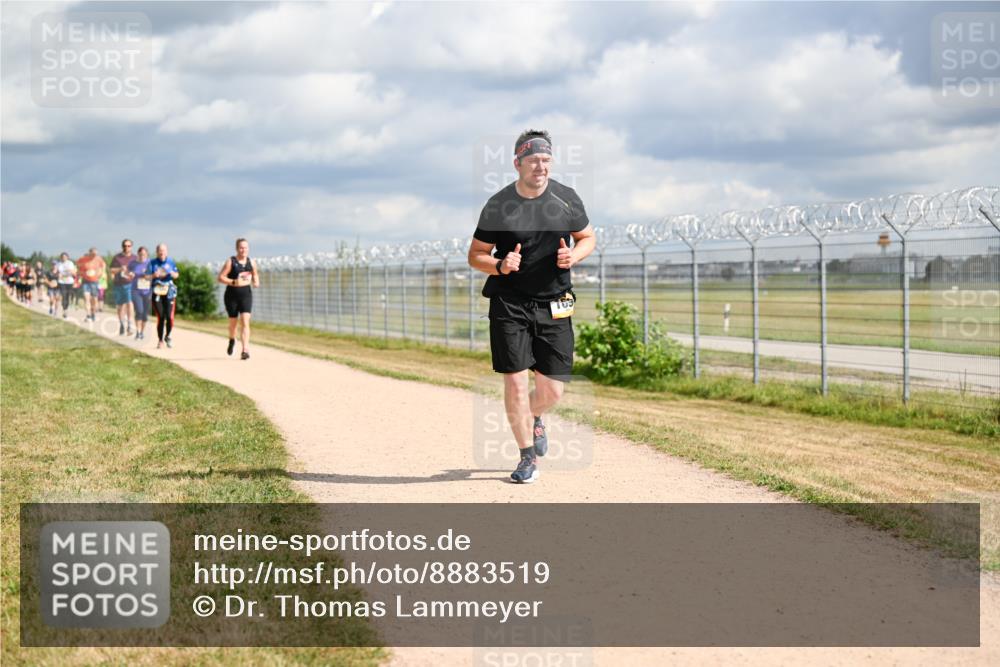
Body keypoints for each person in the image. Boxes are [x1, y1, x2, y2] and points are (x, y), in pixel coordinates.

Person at [467, 129, 595, 484]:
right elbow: (475, 255)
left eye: (546, 160)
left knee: (553, 390)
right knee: (516, 383)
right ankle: (526, 457)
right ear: (517, 163)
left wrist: (575, 255)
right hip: (510, 303)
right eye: (534, 160)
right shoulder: (498, 205)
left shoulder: (567, 199)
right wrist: (499, 265)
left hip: (555, 302)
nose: (541, 166)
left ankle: (533, 418)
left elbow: (588, 238)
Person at [217, 238, 260, 360]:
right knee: (233, 325)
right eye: (241, 247)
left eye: (246, 247)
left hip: (246, 295)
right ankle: (232, 339)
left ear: (248, 249)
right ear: (237, 249)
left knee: (245, 321)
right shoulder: (231, 262)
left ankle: (245, 350)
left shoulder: (252, 262)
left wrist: (256, 282)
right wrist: (234, 281)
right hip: (231, 296)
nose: (243, 250)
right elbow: (220, 278)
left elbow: (255, 274)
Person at [147, 243, 179, 349]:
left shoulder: (170, 262)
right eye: (160, 250)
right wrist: (153, 275)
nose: (162, 253)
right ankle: (160, 340)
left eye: (164, 250)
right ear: (157, 252)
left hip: (169, 291)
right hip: (157, 292)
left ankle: (167, 336)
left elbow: (176, 275)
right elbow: (145, 277)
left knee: (169, 317)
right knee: (161, 317)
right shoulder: (152, 263)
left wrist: (170, 273)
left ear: (167, 252)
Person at [110, 239, 136, 335]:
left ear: (131, 247)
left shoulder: (135, 258)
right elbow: (111, 270)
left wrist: (134, 274)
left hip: (130, 284)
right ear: (122, 246)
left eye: (129, 246)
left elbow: (139, 270)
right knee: (120, 306)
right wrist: (120, 268)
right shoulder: (117, 258)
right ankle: (121, 324)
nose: (127, 247)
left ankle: (130, 325)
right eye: (125, 245)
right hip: (118, 284)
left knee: (129, 303)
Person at [129, 246, 152, 340]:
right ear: (138, 254)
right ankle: (138, 332)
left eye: (144, 254)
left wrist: (148, 276)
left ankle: (142, 332)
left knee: (145, 314)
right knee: (139, 311)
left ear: (147, 254)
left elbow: (155, 275)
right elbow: (128, 272)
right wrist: (130, 274)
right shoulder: (133, 263)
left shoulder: (150, 263)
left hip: (147, 291)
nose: (142, 255)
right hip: (136, 290)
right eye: (140, 254)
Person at [77, 247, 105, 321]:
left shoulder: (99, 259)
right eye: (93, 254)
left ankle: (93, 314)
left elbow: (103, 267)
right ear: (89, 253)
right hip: (85, 281)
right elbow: (78, 269)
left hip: (94, 282)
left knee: (94, 300)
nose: (94, 256)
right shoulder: (83, 259)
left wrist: (100, 274)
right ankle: (88, 315)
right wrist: (83, 273)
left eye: (95, 254)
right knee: (87, 299)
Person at [54, 252, 77, 318]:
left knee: (67, 296)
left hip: (69, 282)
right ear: (61, 257)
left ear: (67, 257)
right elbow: (55, 272)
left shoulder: (70, 263)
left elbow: (74, 273)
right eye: (62, 257)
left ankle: (66, 308)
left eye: (65, 257)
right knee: (64, 295)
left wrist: (69, 271)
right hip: (61, 282)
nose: (63, 258)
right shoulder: (59, 264)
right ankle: (64, 310)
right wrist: (57, 274)